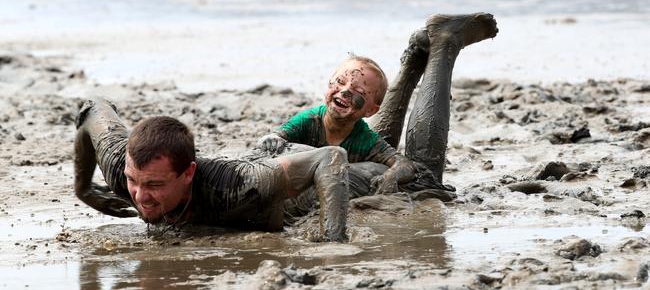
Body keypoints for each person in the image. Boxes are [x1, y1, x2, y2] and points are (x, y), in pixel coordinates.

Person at [258, 13, 498, 202]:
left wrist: (392, 175)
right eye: (339, 83)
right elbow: (278, 137)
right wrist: (273, 139)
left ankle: (443, 44)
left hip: (355, 169)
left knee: (422, 176)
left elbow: (403, 164)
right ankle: (419, 54)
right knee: (418, 176)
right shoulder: (310, 120)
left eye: (359, 93)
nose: (344, 91)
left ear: (371, 110)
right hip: (331, 177)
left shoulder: (364, 136)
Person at [73, 98, 350, 241]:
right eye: (133, 181)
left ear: (188, 174)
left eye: (155, 185)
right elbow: (93, 108)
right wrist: (84, 188)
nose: (139, 196)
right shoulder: (119, 164)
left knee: (376, 174)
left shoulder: (235, 186)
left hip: (304, 188)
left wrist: (332, 242)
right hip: (260, 162)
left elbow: (331, 158)